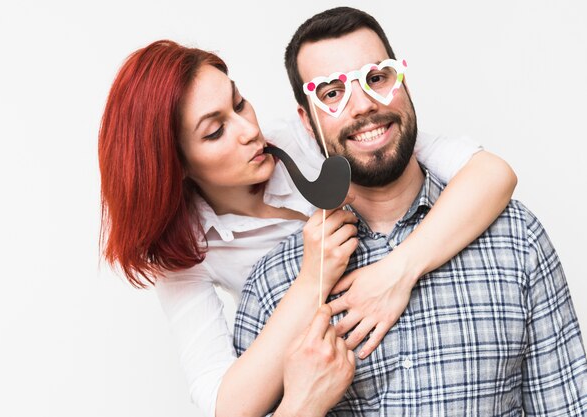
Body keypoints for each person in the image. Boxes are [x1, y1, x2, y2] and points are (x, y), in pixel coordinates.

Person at [98, 40, 517, 417]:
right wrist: (312, 275)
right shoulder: (184, 255)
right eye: (215, 131)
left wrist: (397, 272)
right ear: (177, 165)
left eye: (240, 103)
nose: (249, 131)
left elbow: (489, 173)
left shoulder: (304, 135)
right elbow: (226, 406)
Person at [233, 7, 587, 416]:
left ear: (402, 82)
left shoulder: (516, 238)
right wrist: (301, 404)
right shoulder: (273, 285)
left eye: (376, 78)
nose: (362, 105)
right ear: (307, 123)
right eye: (332, 93)